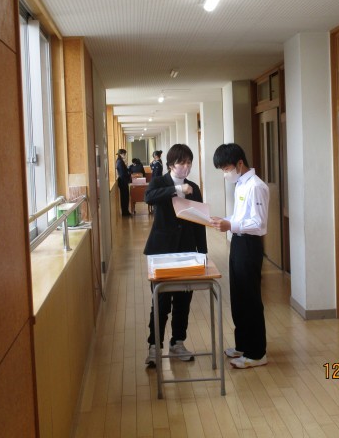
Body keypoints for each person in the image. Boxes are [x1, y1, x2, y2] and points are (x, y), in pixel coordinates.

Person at [143, 144, 208, 366]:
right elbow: (149, 197)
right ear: (171, 164)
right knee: (161, 301)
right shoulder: (160, 182)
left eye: (189, 163)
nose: (186, 167)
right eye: (182, 163)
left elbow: (199, 221)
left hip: (187, 250)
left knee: (183, 300)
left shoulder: (194, 188)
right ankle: (154, 346)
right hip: (161, 250)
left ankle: (177, 342)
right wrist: (177, 189)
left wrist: (203, 252)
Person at [211, 143, 269, 369]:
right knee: (238, 296)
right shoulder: (241, 185)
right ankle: (243, 345)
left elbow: (259, 224)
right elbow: (240, 216)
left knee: (250, 298)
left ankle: (257, 353)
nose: (225, 174)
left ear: (240, 163)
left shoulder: (256, 186)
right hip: (237, 242)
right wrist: (225, 220)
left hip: (249, 245)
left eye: (226, 169)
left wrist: (231, 225)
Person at [115, 149, 131, 216]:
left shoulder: (120, 161)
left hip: (123, 181)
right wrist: (129, 174)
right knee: (124, 197)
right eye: (124, 154)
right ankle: (125, 212)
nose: (125, 155)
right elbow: (122, 173)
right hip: (123, 182)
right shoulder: (120, 162)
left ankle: (126, 211)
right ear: (121, 154)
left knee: (125, 197)